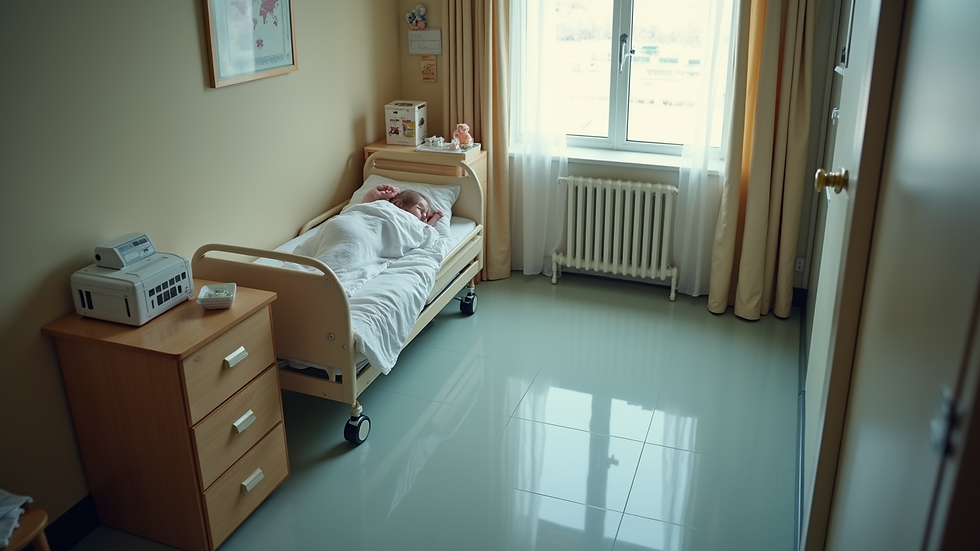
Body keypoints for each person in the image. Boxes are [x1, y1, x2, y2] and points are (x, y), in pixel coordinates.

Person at [360, 184, 444, 226]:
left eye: (426, 214)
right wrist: (381, 193)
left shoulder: (413, 224)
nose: (424, 216)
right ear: (398, 204)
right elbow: (365, 208)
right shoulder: (384, 207)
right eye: (420, 210)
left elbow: (425, 230)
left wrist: (436, 217)